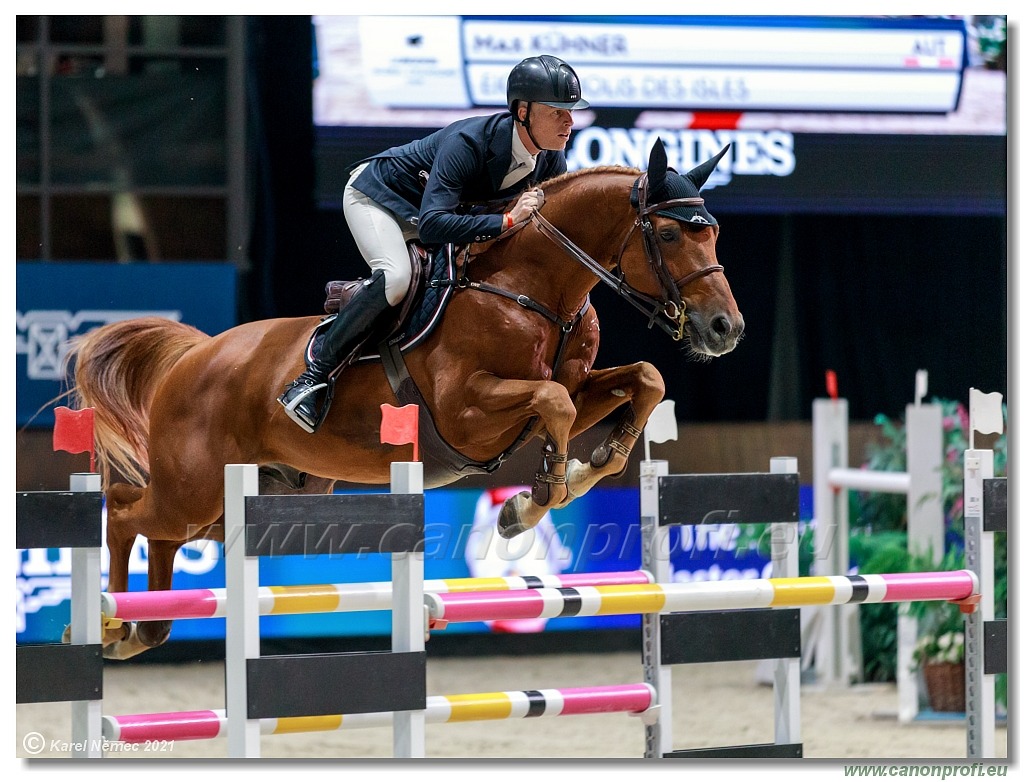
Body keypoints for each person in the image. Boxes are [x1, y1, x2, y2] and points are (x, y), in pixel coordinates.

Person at [278, 54, 590, 432]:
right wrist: (507, 220)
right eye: (557, 111)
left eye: (571, 111)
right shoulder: (468, 142)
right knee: (397, 278)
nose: (570, 121)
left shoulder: (549, 162)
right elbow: (432, 225)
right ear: (522, 111)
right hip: (381, 197)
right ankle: (314, 376)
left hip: (436, 214)